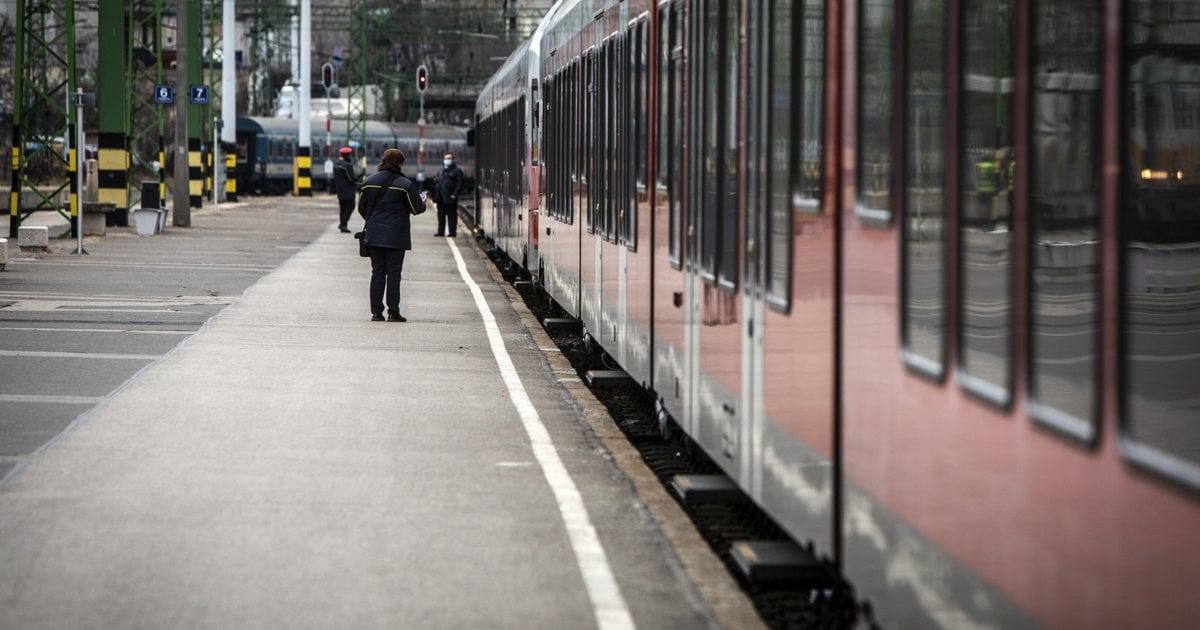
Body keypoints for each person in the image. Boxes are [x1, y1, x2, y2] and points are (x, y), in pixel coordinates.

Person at [358, 149, 426, 322]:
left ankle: (376, 313)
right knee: (394, 274)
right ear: (399, 163)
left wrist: (374, 222)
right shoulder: (405, 184)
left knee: (377, 272)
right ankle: (393, 312)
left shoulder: (368, 182)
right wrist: (422, 201)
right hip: (396, 236)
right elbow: (416, 209)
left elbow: (362, 208)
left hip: (374, 235)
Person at [432, 152, 465, 237]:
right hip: (440, 198)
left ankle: (452, 232)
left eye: (449, 158)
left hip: (450, 198)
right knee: (441, 216)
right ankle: (440, 232)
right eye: (445, 158)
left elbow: (460, 184)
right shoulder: (442, 170)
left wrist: (454, 195)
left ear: (453, 160)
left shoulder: (457, 170)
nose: (447, 160)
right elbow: (437, 181)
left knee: (452, 216)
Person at [332, 147, 359, 233]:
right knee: (351, 206)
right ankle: (343, 224)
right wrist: (357, 178)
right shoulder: (347, 165)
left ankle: (343, 225)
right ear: (348, 155)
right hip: (348, 190)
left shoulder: (336, 164)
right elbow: (351, 179)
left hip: (339, 190)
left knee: (342, 208)